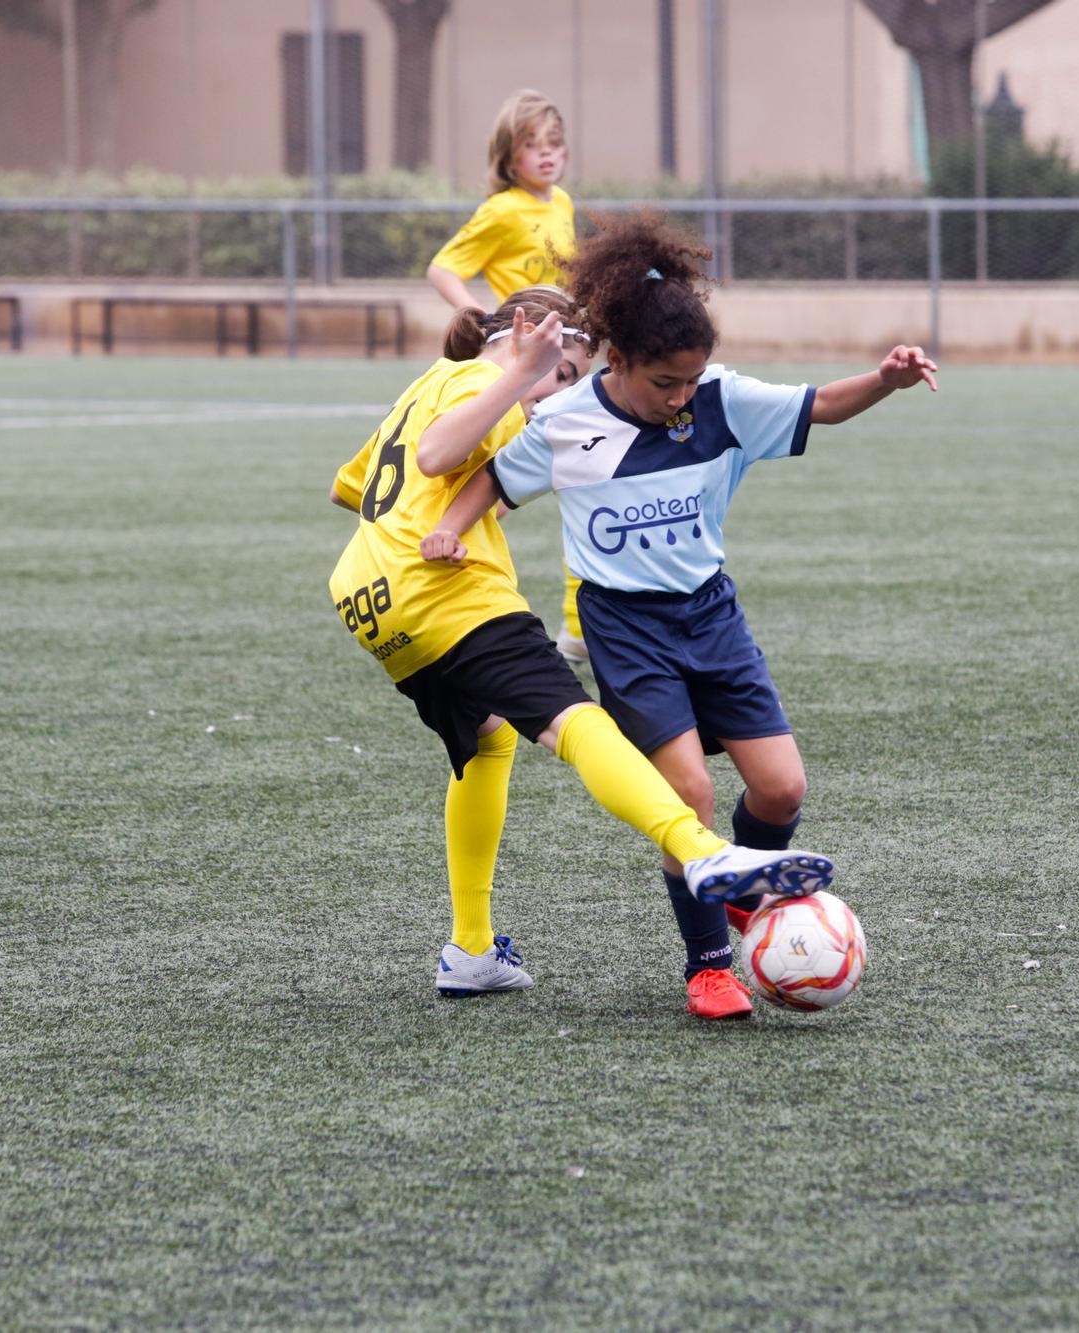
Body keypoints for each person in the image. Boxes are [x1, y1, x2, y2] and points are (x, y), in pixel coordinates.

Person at [420, 215, 935, 1019]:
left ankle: (736, 889)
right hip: (625, 630)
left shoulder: (720, 399)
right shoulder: (566, 421)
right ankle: (707, 965)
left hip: (710, 616)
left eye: (691, 379)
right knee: (688, 793)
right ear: (617, 360)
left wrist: (884, 380)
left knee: (780, 787)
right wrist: (453, 522)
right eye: (665, 383)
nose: (681, 396)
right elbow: (495, 478)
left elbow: (822, 404)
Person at [328, 285, 834, 1002]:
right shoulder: (488, 381)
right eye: (562, 373)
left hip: (365, 593)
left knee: (488, 737)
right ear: (527, 336)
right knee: (575, 720)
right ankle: (703, 850)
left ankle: (471, 949)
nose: (555, 396)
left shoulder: (432, 380)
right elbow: (442, 455)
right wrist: (515, 379)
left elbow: (349, 489)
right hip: (440, 592)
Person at [425, 89, 589, 666]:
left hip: (561, 371)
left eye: (554, 144)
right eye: (531, 146)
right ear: (508, 156)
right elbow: (443, 267)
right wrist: (483, 318)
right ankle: (443, 567)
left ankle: (577, 629)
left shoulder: (562, 203)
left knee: (577, 477)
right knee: (500, 490)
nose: (546, 155)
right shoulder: (502, 210)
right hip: (526, 372)